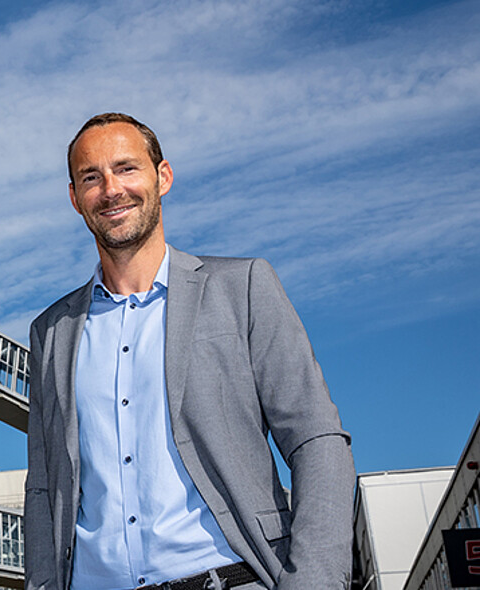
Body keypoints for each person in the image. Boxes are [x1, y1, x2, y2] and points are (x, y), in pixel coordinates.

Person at [24, 113, 355, 590]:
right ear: (75, 198)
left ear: (162, 177)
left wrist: (315, 582)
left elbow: (316, 439)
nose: (112, 189)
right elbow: (43, 487)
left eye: (127, 168)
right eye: (91, 177)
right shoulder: (52, 332)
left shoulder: (240, 288)